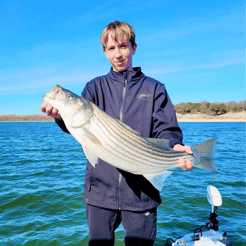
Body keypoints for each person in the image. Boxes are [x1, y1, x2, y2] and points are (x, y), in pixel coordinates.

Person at [41, 21, 193, 246]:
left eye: (123, 46)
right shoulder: (94, 87)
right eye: (111, 48)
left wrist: (175, 147)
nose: (118, 53)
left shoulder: (154, 88)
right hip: (100, 193)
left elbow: (166, 129)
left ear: (133, 47)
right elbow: (75, 123)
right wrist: (60, 114)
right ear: (104, 52)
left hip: (142, 193)